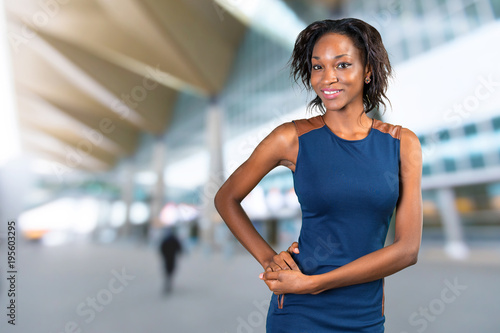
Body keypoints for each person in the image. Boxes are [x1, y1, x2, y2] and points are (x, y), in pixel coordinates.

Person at [214, 18, 422, 332]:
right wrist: (269, 259)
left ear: (367, 71)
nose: (328, 78)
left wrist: (315, 284)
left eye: (343, 64)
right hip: (298, 312)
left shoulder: (402, 144)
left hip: (363, 315)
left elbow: (407, 250)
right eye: (317, 67)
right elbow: (226, 198)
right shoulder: (290, 138)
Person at [158, 227, 182, 294]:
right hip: (171, 257)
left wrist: (163, 254)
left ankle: (168, 280)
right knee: (170, 269)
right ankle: (169, 280)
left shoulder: (166, 239)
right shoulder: (173, 239)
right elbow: (179, 247)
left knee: (168, 269)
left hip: (168, 257)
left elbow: (161, 248)